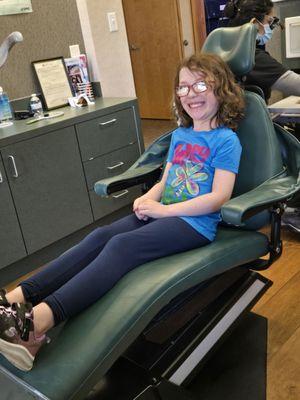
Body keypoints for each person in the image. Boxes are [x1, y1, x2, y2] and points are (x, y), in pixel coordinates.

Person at [0, 53, 245, 372]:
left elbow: (218, 198)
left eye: (200, 84)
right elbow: (167, 178)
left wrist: (163, 211)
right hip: (164, 214)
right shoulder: (182, 135)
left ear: (221, 89)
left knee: (121, 247)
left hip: (193, 225)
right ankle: (13, 300)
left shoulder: (227, 141)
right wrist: (151, 199)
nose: (191, 94)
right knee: (100, 236)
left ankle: (35, 327)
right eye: (183, 87)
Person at [224, 0, 300, 102]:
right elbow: (297, 85)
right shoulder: (252, 57)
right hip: (249, 117)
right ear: (254, 23)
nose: (271, 28)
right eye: (270, 22)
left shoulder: (225, 49)